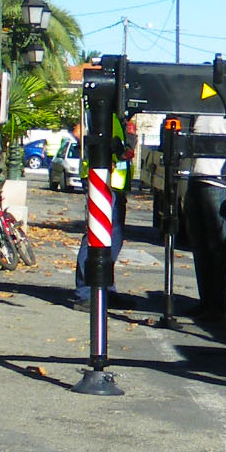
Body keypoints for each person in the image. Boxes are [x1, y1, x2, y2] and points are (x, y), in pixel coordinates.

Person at [182, 115, 226, 322]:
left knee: (216, 246)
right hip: (196, 180)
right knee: (199, 245)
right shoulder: (199, 112)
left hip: (217, 186)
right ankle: (205, 301)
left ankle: (217, 305)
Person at [72, 113, 134, 310]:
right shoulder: (100, 107)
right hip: (100, 179)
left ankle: (105, 287)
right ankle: (86, 292)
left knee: (113, 238)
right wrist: (102, 152)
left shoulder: (119, 117)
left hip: (115, 182)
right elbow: (78, 132)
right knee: (95, 236)